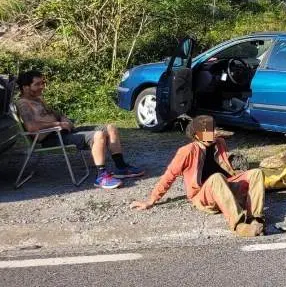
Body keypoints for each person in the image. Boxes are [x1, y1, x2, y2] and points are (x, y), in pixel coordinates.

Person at [130, 115, 266, 238]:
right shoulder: (186, 151)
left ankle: (255, 219)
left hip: (226, 189)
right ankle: (239, 225)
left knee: (256, 173)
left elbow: (225, 166)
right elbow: (169, 175)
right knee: (216, 177)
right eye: (207, 132)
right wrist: (151, 200)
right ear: (196, 135)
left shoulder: (220, 143)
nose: (211, 134)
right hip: (203, 195)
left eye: (212, 130)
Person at [15, 70, 143, 189]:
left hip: (63, 131)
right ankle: (101, 177)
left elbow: (56, 113)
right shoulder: (23, 104)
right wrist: (57, 123)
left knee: (110, 128)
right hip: (52, 138)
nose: (42, 86)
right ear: (26, 87)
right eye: (37, 84)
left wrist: (64, 119)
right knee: (98, 135)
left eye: (43, 83)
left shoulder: (38, 99)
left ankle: (121, 167)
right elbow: (31, 127)